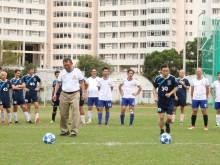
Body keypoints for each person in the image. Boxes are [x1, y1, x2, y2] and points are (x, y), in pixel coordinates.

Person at [53, 57, 85, 137]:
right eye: (64, 65)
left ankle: (74, 131)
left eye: (67, 65)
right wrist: (54, 94)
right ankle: (64, 131)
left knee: (75, 113)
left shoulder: (77, 71)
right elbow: (58, 83)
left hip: (75, 94)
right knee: (63, 113)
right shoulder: (62, 72)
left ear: (71, 64)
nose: (66, 67)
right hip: (64, 94)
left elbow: (82, 82)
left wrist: (83, 93)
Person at [152, 64, 178, 135]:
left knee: (169, 117)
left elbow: (176, 87)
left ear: (169, 71)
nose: (165, 72)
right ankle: (162, 130)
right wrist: (155, 97)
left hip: (170, 100)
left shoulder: (172, 78)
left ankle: (167, 123)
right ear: (161, 71)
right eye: (164, 71)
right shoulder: (158, 78)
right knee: (161, 116)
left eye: (167, 71)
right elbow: (154, 88)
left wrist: (170, 93)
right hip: (161, 100)